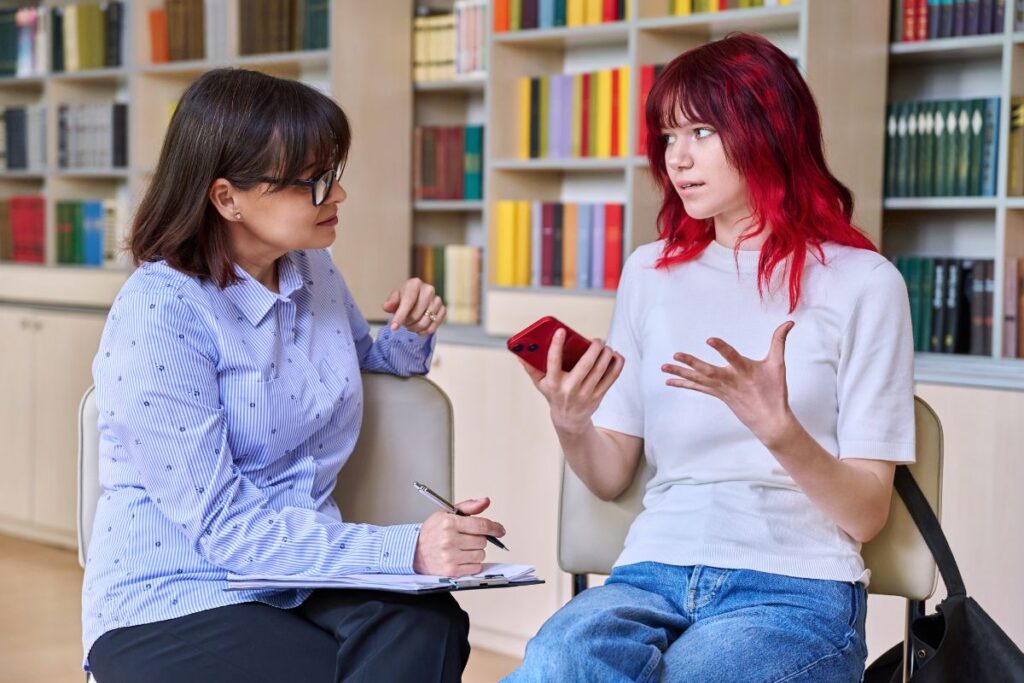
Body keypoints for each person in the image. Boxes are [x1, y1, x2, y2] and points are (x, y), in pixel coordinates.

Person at [506, 33, 914, 683]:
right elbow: (611, 473)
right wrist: (571, 421)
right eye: (668, 137)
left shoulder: (865, 283)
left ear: (769, 130)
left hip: (795, 586)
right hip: (650, 572)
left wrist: (779, 430)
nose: (678, 159)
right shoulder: (649, 273)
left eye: (701, 131)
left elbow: (867, 512)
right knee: (558, 659)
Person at [82, 68, 505, 683]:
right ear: (227, 198)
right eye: (313, 182)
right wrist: (405, 548)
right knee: (330, 668)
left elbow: (360, 363)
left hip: (299, 576)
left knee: (430, 622)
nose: (337, 196)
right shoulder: (160, 312)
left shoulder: (312, 267)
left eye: (333, 175)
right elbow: (226, 529)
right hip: (181, 589)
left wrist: (407, 337)